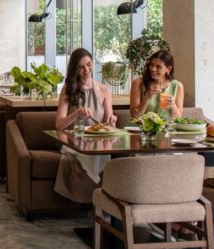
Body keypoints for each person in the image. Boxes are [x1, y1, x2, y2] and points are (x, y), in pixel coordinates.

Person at [53, 48, 117, 203]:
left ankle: (102, 202)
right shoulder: (68, 90)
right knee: (94, 154)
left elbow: (109, 123)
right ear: (74, 69)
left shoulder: (104, 90)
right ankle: (95, 198)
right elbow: (59, 125)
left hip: (98, 141)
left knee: (101, 152)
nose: (86, 70)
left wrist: (112, 120)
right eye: (81, 67)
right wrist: (77, 113)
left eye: (89, 65)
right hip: (73, 141)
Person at [129, 49, 184, 120]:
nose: (153, 69)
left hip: (167, 127)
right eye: (151, 65)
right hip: (143, 127)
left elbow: (179, 119)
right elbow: (134, 116)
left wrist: (173, 106)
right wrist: (147, 97)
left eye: (158, 66)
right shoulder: (138, 83)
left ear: (168, 69)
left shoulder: (177, 86)